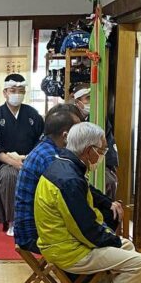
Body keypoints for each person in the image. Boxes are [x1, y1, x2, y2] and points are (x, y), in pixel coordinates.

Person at [35, 122, 141, 283]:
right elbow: (85, 229)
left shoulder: (63, 165)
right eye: (102, 151)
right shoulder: (68, 179)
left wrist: (113, 234)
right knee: (140, 264)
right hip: (69, 250)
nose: (102, 155)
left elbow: (87, 205)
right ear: (89, 151)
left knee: (128, 246)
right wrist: (112, 239)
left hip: (63, 242)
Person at [13, 104, 88, 253]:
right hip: (34, 235)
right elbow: (70, 195)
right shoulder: (50, 157)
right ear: (65, 134)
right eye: (78, 130)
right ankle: (84, 274)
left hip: (37, 228)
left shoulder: (51, 149)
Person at [0, 73, 45, 235]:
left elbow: (41, 142)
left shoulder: (33, 115)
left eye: (21, 90)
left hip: (30, 160)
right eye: (13, 90)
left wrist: (28, 161)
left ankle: (39, 220)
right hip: (5, 162)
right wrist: (15, 163)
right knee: (10, 175)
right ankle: (13, 221)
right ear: (5, 92)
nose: (17, 93)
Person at [73, 85, 120, 201]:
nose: (91, 101)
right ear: (77, 102)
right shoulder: (72, 118)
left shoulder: (99, 118)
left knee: (108, 181)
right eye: (87, 98)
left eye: (92, 98)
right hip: (78, 164)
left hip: (101, 163)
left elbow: (105, 146)